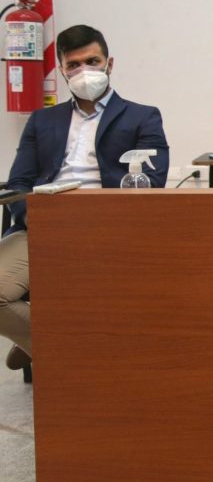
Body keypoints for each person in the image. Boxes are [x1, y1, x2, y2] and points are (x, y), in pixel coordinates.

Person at [1, 24, 169, 371]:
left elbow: (152, 179)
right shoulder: (43, 120)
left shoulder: (142, 115)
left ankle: (37, 343)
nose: (84, 71)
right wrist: (35, 218)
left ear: (110, 63)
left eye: (92, 61)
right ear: (62, 70)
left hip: (111, 228)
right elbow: (19, 183)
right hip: (43, 227)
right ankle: (48, 344)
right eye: (74, 65)